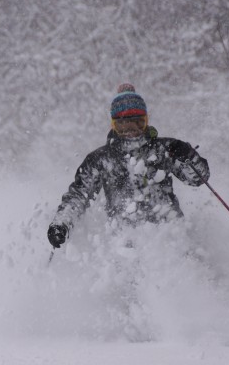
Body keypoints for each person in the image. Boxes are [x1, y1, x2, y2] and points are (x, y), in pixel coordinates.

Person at [47, 83, 210, 249]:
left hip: (171, 236)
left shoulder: (165, 149)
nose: (131, 131)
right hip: (125, 245)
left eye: (137, 123)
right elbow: (79, 195)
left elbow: (198, 179)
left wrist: (189, 156)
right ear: (114, 125)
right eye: (123, 125)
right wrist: (62, 224)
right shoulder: (101, 159)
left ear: (146, 121)